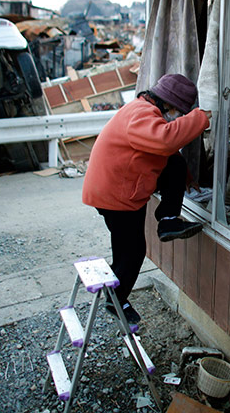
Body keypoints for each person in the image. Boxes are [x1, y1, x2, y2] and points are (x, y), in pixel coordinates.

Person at [82, 73, 211, 326]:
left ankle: (169, 221)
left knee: (174, 163)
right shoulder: (141, 113)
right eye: (179, 111)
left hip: (114, 187)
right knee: (133, 250)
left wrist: (184, 177)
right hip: (117, 194)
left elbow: (167, 151)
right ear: (168, 104)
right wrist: (202, 117)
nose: (178, 116)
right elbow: (165, 140)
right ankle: (116, 299)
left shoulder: (141, 109)